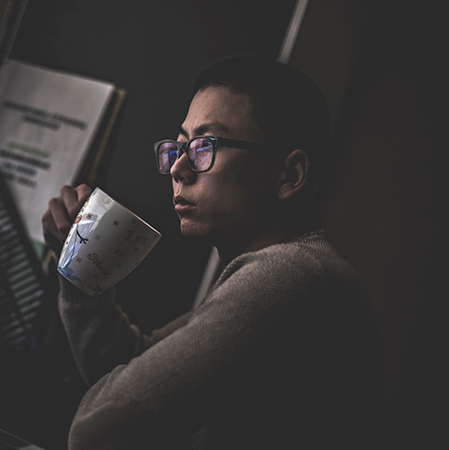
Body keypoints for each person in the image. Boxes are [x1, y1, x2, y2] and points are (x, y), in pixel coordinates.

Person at [41, 57, 382, 449]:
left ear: (289, 175)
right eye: (179, 147)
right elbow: (127, 368)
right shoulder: (292, 272)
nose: (178, 168)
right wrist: (79, 263)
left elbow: (99, 426)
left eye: (205, 146)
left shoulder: (291, 276)